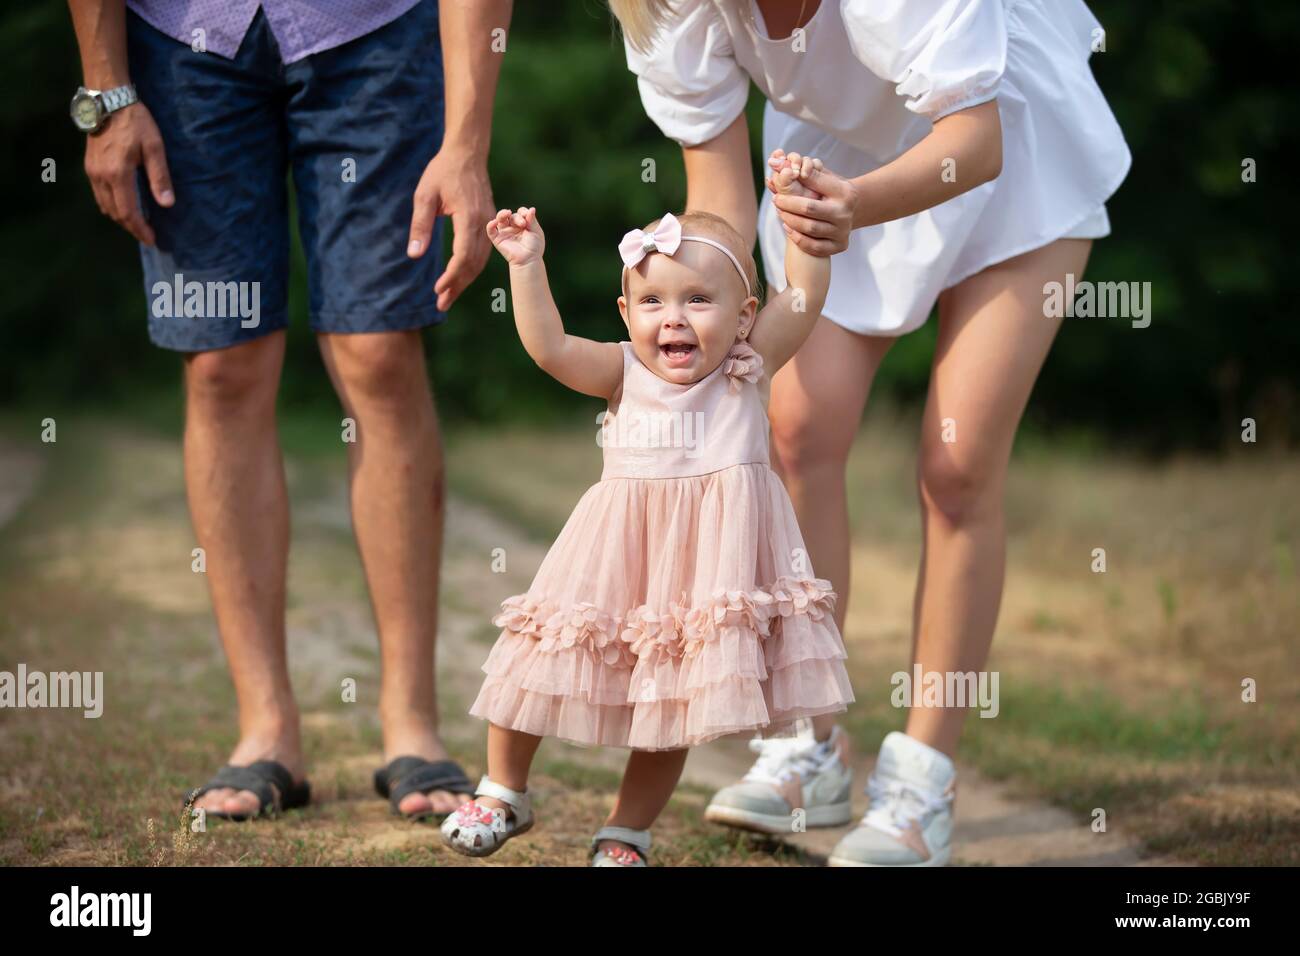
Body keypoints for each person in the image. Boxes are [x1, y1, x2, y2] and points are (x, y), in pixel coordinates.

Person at [612, 0, 1130, 865]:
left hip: (1008, 142)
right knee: (798, 426)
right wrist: (690, 300)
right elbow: (718, 201)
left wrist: (857, 206)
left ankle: (923, 782)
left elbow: (977, 138)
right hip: (837, 171)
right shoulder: (676, 5)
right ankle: (809, 748)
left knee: (958, 464)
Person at [66, 0, 513, 821]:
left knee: (380, 354)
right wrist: (108, 91)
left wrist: (468, 141)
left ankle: (411, 724)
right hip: (180, 41)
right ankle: (265, 729)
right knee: (222, 367)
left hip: (374, 31)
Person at [440, 155, 853, 866]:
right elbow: (547, 348)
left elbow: (807, 296)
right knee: (534, 664)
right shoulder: (621, 371)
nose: (676, 318)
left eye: (699, 300)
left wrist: (799, 213)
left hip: (703, 572)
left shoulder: (747, 370)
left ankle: (626, 831)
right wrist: (526, 264)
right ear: (629, 314)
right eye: (655, 302)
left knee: (672, 710)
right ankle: (504, 788)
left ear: (744, 315)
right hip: (612, 559)